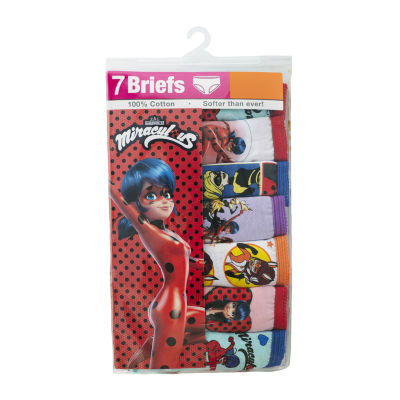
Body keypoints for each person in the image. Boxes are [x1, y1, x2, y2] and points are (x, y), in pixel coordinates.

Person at [109, 158, 205, 369]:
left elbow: (185, 261)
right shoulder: (150, 232)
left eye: (167, 194)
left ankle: (152, 345)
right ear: (136, 204)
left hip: (175, 303)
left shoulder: (168, 233)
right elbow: (122, 203)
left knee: (213, 321)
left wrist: (208, 264)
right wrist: (108, 183)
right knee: (164, 368)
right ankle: (158, 350)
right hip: (170, 304)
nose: (165, 201)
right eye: (151, 195)